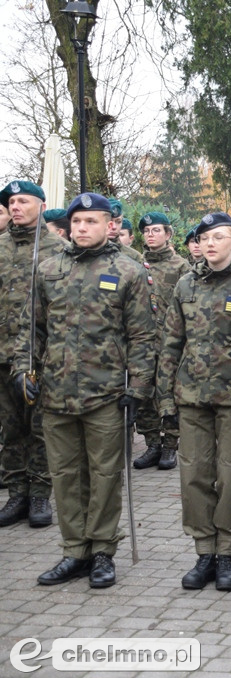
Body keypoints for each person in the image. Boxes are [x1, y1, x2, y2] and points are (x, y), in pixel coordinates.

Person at [15, 192, 157, 588]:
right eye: (76, 222)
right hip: (56, 393)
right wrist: (23, 370)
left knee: (104, 475)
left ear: (109, 225)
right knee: (65, 476)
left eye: (90, 222)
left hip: (107, 394)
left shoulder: (127, 271)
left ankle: (102, 552)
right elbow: (33, 331)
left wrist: (140, 387)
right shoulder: (46, 269)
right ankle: (74, 550)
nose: (81, 229)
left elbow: (143, 335)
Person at [158, 212, 231, 591]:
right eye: (205, 237)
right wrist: (164, 401)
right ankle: (204, 553)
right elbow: (171, 345)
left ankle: (226, 555)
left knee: (230, 481)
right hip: (190, 399)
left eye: (219, 237)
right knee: (194, 478)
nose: (210, 244)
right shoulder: (185, 284)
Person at [0, 180, 65, 528]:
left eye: (23, 201)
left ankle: (40, 493)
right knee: (10, 431)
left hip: (41, 356)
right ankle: (17, 494)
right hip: (2, 353)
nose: (15, 207)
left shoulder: (58, 248)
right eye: (11, 202)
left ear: (41, 205)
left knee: (39, 428)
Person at [133, 211, 190, 471]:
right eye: (146, 231)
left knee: (168, 394)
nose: (150, 235)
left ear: (168, 235)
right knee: (143, 395)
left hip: (169, 342)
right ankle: (152, 443)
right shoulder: (135, 264)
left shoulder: (181, 267)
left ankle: (170, 445)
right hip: (141, 342)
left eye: (156, 230)